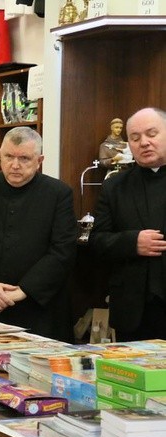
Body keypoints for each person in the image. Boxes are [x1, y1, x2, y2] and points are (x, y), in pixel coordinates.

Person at [0, 126, 77, 340]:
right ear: (0, 156)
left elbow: (62, 250)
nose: (15, 165)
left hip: (38, 307)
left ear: (40, 160)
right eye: (9, 157)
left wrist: (24, 290)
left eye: (25, 159)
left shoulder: (58, 193)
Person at [89, 107, 166, 341]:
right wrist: (132, 242)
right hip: (134, 312)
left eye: (152, 134)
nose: (144, 142)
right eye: (135, 137)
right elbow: (96, 241)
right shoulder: (115, 185)